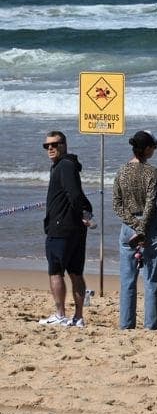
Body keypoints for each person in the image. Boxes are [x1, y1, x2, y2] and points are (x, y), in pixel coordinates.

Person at [40, 131, 93, 327]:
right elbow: (79, 196)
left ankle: (61, 314)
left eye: (54, 144)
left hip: (62, 228)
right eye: (47, 146)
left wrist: (84, 212)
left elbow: (75, 195)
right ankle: (78, 317)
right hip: (74, 229)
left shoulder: (64, 166)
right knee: (75, 273)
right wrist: (87, 212)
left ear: (64, 144)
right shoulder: (66, 166)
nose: (50, 148)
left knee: (56, 272)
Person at [112, 130, 157, 330]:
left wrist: (132, 225)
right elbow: (150, 205)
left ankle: (126, 325)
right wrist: (141, 229)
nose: (155, 150)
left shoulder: (121, 171)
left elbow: (116, 205)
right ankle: (151, 326)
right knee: (151, 279)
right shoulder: (153, 172)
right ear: (148, 148)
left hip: (128, 225)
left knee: (127, 279)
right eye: (154, 147)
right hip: (148, 225)